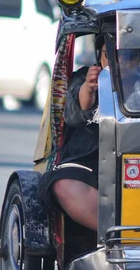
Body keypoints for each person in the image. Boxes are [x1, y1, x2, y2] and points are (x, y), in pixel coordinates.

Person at [40, 34, 109, 232]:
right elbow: (74, 113)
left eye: (128, 55)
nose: (118, 60)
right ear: (100, 54)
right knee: (63, 185)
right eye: (109, 54)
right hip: (89, 160)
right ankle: (114, 234)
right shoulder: (85, 77)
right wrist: (89, 88)